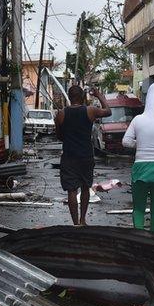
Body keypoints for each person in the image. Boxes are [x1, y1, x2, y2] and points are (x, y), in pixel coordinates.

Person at [122, 82, 154, 234]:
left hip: (141, 168)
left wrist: (139, 143)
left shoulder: (138, 119)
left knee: (138, 208)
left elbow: (125, 141)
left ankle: (140, 240)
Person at [55, 85, 111, 225]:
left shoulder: (61, 114)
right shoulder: (90, 110)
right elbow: (108, 111)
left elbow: (59, 137)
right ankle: (83, 219)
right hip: (86, 156)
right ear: (82, 97)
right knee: (85, 187)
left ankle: (75, 223)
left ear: (69, 96)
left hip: (69, 157)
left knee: (71, 190)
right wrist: (98, 95)